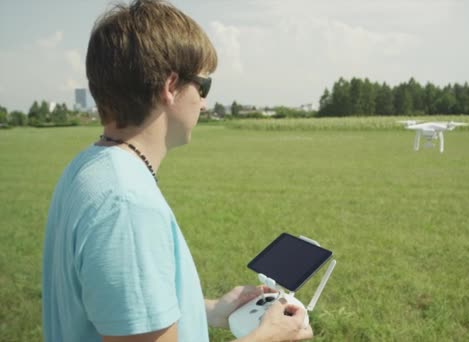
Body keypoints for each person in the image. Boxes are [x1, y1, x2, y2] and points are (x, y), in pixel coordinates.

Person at [41, 1, 313, 341]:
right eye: (203, 87)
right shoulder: (126, 205)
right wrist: (267, 337)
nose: (204, 103)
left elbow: (120, 306)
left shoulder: (88, 169)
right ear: (171, 87)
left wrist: (212, 309)